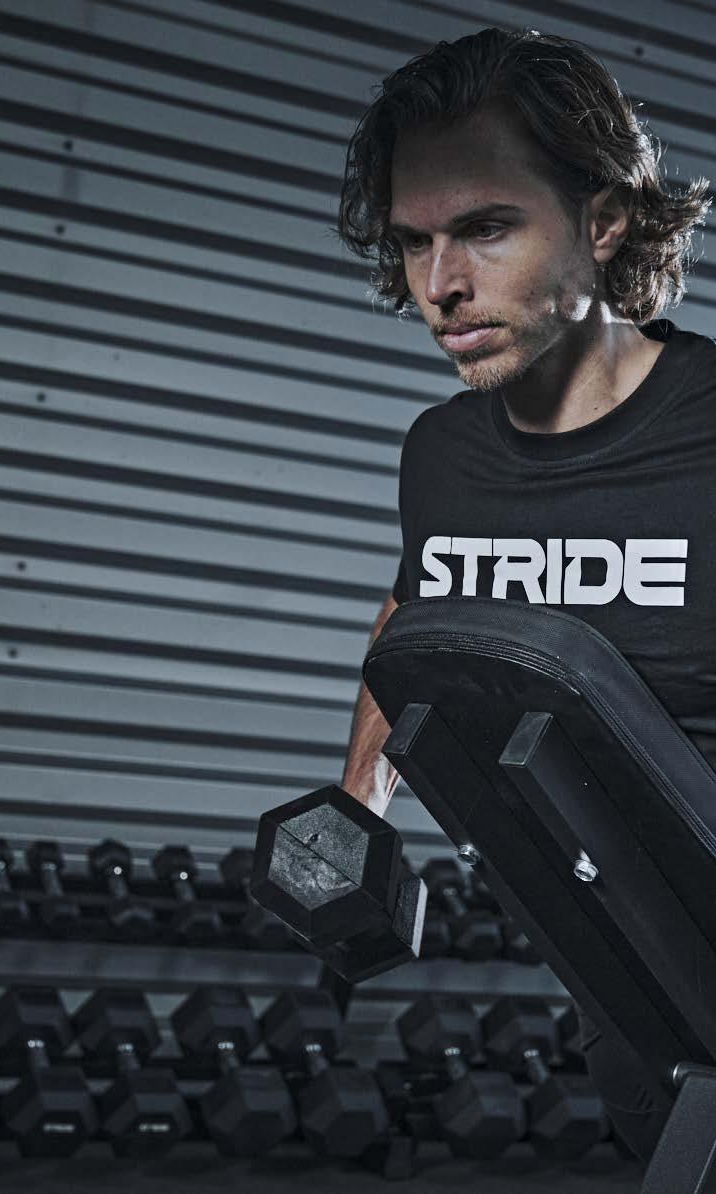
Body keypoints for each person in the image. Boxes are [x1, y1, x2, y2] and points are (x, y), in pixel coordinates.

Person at [332, 26, 713, 1162]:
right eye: (414, 242)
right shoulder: (441, 453)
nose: (439, 286)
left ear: (603, 222)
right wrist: (357, 808)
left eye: (486, 228)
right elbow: (418, 610)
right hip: (619, 978)